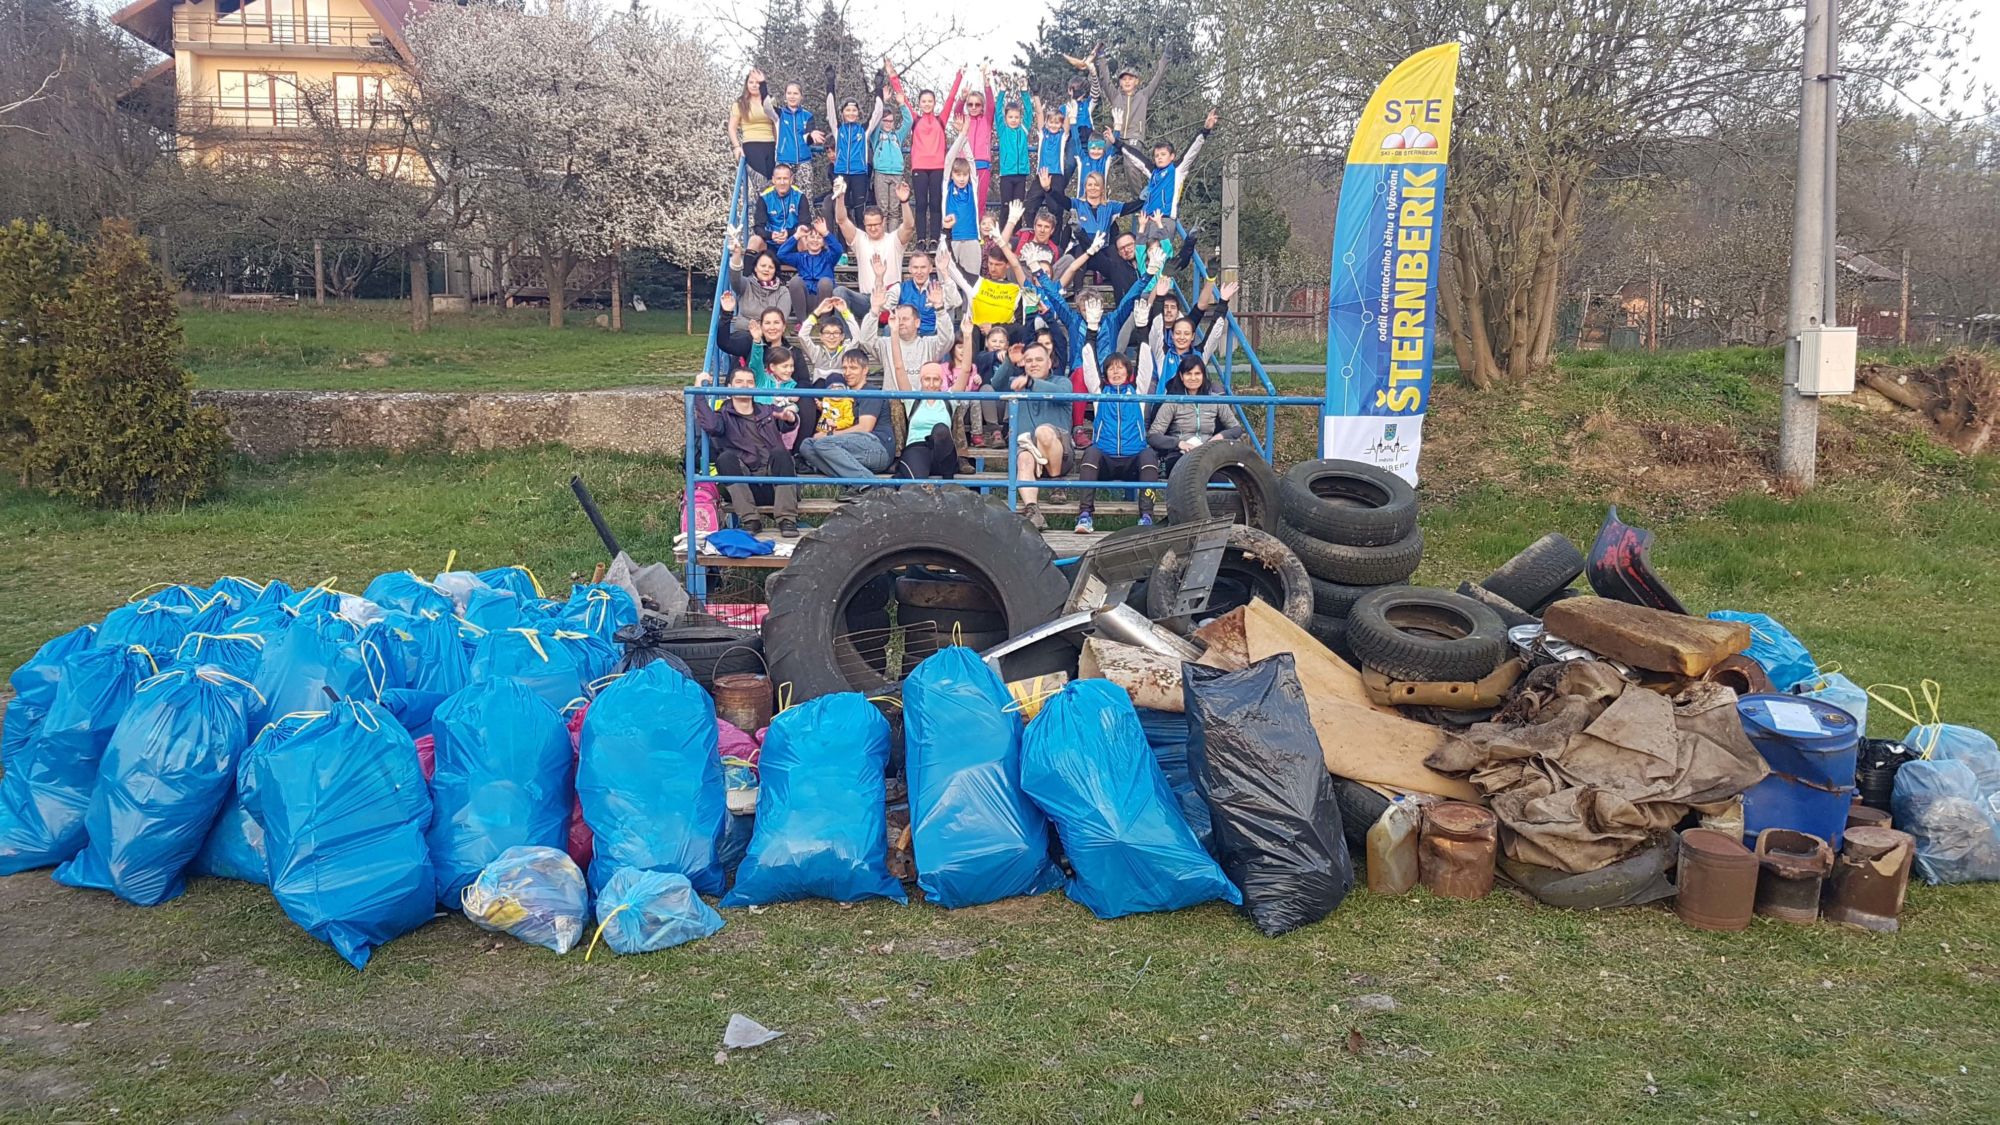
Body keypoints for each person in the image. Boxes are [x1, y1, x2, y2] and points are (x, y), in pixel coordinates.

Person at [695, 367, 801, 537]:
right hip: (746, 486)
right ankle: (751, 520)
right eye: (739, 382)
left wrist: (791, 419)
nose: (745, 385)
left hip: (774, 484)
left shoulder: (767, 410)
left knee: (781, 453)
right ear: (729, 387)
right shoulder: (723, 415)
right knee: (725, 458)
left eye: (750, 382)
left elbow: (787, 422)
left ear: (755, 387)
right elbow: (711, 425)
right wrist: (698, 391)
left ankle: (787, 520)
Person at [1074, 348, 1160, 532]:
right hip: (1106, 461)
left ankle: (1146, 517)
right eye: (1111, 368)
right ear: (1105, 373)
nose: (1115, 371)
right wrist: (1091, 334)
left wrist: (1143, 334)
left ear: (1128, 372)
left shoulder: (1138, 392)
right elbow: (1088, 363)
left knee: (1149, 455)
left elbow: (1146, 364)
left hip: (1133, 462)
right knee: (1091, 453)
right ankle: (1085, 516)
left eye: (1120, 367)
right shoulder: (1099, 393)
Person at [799, 347, 895, 499]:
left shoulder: (870, 392)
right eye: (844, 368)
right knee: (806, 446)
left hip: (878, 447)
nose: (847, 372)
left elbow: (865, 427)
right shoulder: (844, 396)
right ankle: (855, 483)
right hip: (851, 447)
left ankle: (870, 485)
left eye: (853, 368)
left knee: (823, 443)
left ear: (865, 370)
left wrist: (829, 434)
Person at [885, 57, 958, 249]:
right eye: (923, 101)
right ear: (919, 103)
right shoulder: (915, 119)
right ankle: (920, 240)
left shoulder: (941, 120)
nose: (927, 104)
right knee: (920, 204)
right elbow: (901, 96)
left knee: (935, 203)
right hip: (919, 167)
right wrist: (892, 74)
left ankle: (934, 239)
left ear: (934, 103)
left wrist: (959, 75)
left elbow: (951, 99)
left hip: (938, 167)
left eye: (930, 101)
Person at [1119, 109, 1217, 239]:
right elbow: (1136, 157)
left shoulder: (1177, 170)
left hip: (1164, 219)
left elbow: (1192, 151)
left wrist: (1205, 130)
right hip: (1146, 220)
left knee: (1158, 251)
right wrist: (1117, 143)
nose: (1159, 157)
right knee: (1141, 251)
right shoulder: (1153, 172)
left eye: (1163, 154)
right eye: (1157, 155)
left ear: (1172, 156)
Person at [1007, 339, 1073, 530]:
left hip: (1060, 455)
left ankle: (1056, 484)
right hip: (1028, 451)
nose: (1033, 364)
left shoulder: (1062, 382)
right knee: (1023, 457)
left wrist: (1031, 383)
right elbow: (995, 385)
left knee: (1043, 431)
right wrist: (1009, 362)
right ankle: (1032, 510)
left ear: (1049, 362)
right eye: (1028, 360)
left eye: (1039, 359)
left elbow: (1062, 393)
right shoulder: (1017, 383)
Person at [1147, 354, 1246, 476]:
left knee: (1220, 477)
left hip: (1209, 452)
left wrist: (1219, 437)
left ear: (1203, 375)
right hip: (1180, 454)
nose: (1193, 378)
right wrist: (1179, 443)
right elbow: (1153, 436)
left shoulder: (1215, 400)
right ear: (1181, 376)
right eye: (1188, 374)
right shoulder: (1172, 402)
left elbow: (1236, 429)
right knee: (1194, 472)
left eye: (1197, 374)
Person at [831, 177, 914, 309]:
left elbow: (909, 226)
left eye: (876, 224)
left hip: (890, 299)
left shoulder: (894, 239)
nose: (873, 228)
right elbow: (842, 220)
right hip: (866, 299)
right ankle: (844, 324)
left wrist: (904, 202)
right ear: (864, 224)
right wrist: (840, 197)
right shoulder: (859, 239)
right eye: (869, 225)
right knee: (839, 292)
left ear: (883, 222)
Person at [863, 278, 955, 392]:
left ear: (917, 323)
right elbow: (865, 340)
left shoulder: (928, 344)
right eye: (898, 319)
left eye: (905, 319)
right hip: (892, 400)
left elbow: (948, 339)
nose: (900, 322)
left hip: (922, 400)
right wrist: (874, 310)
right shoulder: (885, 344)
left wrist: (940, 308)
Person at [1066, 172, 1143, 293]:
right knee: (1081, 249)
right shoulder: (1077, 204)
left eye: (1096, 185)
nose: (1093, 188)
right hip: (1082, 252)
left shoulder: (1110, 206)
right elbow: (1060, 200)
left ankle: (1125, 297)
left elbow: (1131, 207)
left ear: (1102, 188)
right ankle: (1078, 292)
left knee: (1115, 255)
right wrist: (1049, 189)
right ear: (1085, 187)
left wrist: (1146, 197)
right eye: (1090, 185)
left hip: (1101, 252)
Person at [826, 71, 882, 228]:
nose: (851, 113)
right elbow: (830, 110)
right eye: (848, 110)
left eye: (854, 110)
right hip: (841, 173)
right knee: (841, 210)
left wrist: (878, 87)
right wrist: (830, 84)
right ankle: (842, 242)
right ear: (843, 113)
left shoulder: (864, 130)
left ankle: (862, 239)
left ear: (858, 113)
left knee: (860, 210)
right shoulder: (838, 129)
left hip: (859, 174)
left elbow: (878, 112)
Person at [897, 360, 962, 480]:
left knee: (941, 429)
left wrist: (968, 345)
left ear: (941, 381)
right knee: (917, 484)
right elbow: (899, 368)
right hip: (917, 448)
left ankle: (948, 482)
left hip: (941, 454)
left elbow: (966, 370)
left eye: (936, 379)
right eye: (927, 379)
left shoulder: (948, 400)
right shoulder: (913, 399)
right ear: (921, 380)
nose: (931, 384)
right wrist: (894, 345)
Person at [1092, 51, 1169, 145]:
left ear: (1136, 81)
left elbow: (1158, 78)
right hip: (1117, 136)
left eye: (1130, 79)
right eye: (1124, 79)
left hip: (1135, 138)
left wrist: (1166, 57)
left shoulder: (1143, 95)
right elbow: (1105, 80)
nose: (1127, 82)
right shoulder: (1115, 96)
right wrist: (1101, 57)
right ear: (1120, 82)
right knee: (1103, 149)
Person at [950, 66, 997, 211]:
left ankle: (978, 226)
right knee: (962, 200)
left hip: (982, 165)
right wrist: (962, 98)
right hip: (964, 165)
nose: (974, 107)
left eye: (977, 104)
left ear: (982, 106)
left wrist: (987, 84)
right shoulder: (964, 119)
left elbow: (991, 105)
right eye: (970, 104)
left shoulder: (986, 119)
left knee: (979, 202)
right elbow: (957, 111)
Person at [774, 218, 844, 311]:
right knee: (795, 281)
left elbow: (838, 250)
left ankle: (825, 319)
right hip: (805, 299)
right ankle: (802, 319)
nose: (815, 240)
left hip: (825, 298)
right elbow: (781, 254)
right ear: (806, 240)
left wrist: (825, 233)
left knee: (825, 282)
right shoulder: (800, 257)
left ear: (823, 242)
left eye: (819, 238)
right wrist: (797, 236)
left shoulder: (829, 257)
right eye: (812, 237)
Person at [869, 85, 912, 227]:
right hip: (881, 173)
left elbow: (909, 122)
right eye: (885, 120)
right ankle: (882, 236)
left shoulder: (897, 136)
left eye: (891, 121)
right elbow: (874, 119)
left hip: (897, 174)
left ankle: (892, 237)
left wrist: (902, 104)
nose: (888, 124)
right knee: (882, 210)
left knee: (894, 210)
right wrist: (883, 101)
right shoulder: (876, 135)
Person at [771, 82, 824, 196]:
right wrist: (761, 85)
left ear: (801, 96)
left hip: (803, 161)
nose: (792, 96)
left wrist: (812, 135)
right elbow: (765, 106)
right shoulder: (779, 114)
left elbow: (807, 138)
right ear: (785, 95)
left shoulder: (808, 116)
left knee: (805, 196)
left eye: (795, 93)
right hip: (784, 160)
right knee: (783, 195)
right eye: (789, 93)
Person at [1024, 102, 1072, 225]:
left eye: (1057, 123)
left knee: (1056, 209)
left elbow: (1067, 125)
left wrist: (1068, 112)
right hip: (1041, 174)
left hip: (1056, 176)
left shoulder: (1062, 136)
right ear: (1046, 122)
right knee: (1029, 206)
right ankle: (1032, 231)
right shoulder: (1043, 134)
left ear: (1061, 124)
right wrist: (1036, 96)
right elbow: (1039, 114)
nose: (1053, 125)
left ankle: (1055, 236)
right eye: (1051, 122)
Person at [894, 249, 960, 337]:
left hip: (933, 336)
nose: (919, 272)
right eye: (915, 267)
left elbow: (956, 302)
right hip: (907, 336)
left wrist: (944, 272)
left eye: (923, 267)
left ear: (930, 268)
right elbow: (883, 306)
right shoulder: (900, 288)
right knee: (888, 329)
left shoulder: (937, 287)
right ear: (910, 269)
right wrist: (880, 277)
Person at [748, 164, 812, 254]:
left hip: (793, 242)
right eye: (779, 179)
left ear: (791, 179)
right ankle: (748, 264)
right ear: (773, 180)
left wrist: (789, 233)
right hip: (771, 243)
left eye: (785, 178)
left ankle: (809, 263)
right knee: (754, 240)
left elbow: (806, 225)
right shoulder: (764, 197)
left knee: (804, 239)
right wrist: (771, 235)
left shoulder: (800, 196)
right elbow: (758, 228)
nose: (782, 182)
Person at [729, 68, 777, 183]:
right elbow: (732, 128)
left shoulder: (770, 101)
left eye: (757, 82)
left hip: (770, 144)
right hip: (751, 145)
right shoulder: (740, 104)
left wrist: (778, 145)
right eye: (751, 82)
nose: (754, 85)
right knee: (760, 181)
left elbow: (775, 124)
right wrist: (736, 146)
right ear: (746, 84)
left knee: (773, 181)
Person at [725, 248, 792, 330]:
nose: (766, 269)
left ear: (775, 271)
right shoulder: (746, 284)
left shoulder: (783, 292)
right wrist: (736, 254)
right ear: (755, 268)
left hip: (769, 333)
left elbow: (780, 320)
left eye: (771, 267)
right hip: (744, 331)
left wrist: (761, 331)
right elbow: (735, 278)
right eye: (763, 266)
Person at [994, 81, 1034, 213]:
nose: (1013, 119)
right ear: (1006, 118)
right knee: (1005, 207)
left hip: (1021, 174)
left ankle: (1017, 227)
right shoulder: (1003, 130)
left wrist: (1024, 92)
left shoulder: (1023, 130)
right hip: (1006, 174)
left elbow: (1029, 112)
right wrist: (1002, 92)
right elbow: (997, 112)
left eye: (1016, 117)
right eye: (1010, 117)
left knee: (1018, 207)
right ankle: (1003, 227)